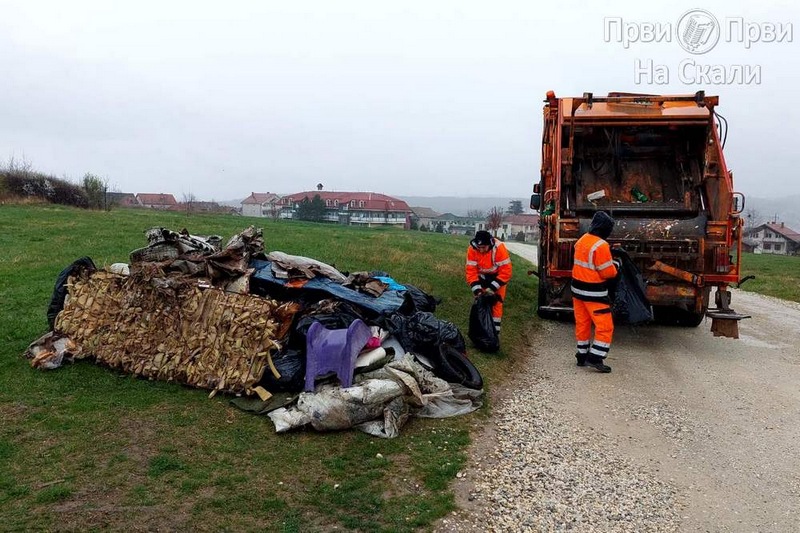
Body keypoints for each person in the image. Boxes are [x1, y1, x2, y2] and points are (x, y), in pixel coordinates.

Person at [571, 211, 620, 373]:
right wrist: (617, 264)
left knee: (583, 324)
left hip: (577, 291)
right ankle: (596, 357)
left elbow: (588, 263)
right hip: (594, 293)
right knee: (605, 326)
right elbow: (608, 273)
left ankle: (582, 355)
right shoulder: (601, 246)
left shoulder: (582, 240)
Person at [466, 230, 512, 335]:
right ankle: (480, 331)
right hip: (481, 278)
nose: (481, 250)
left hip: (498, 279)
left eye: (484, 247)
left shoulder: (499, 248)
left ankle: (494, 333)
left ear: (490, 244)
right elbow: (471, 272)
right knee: (481, 303)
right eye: (479, 247)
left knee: (497, 304)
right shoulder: (472, 249)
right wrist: (477, 291)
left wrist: (491, 288)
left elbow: (506, 272)